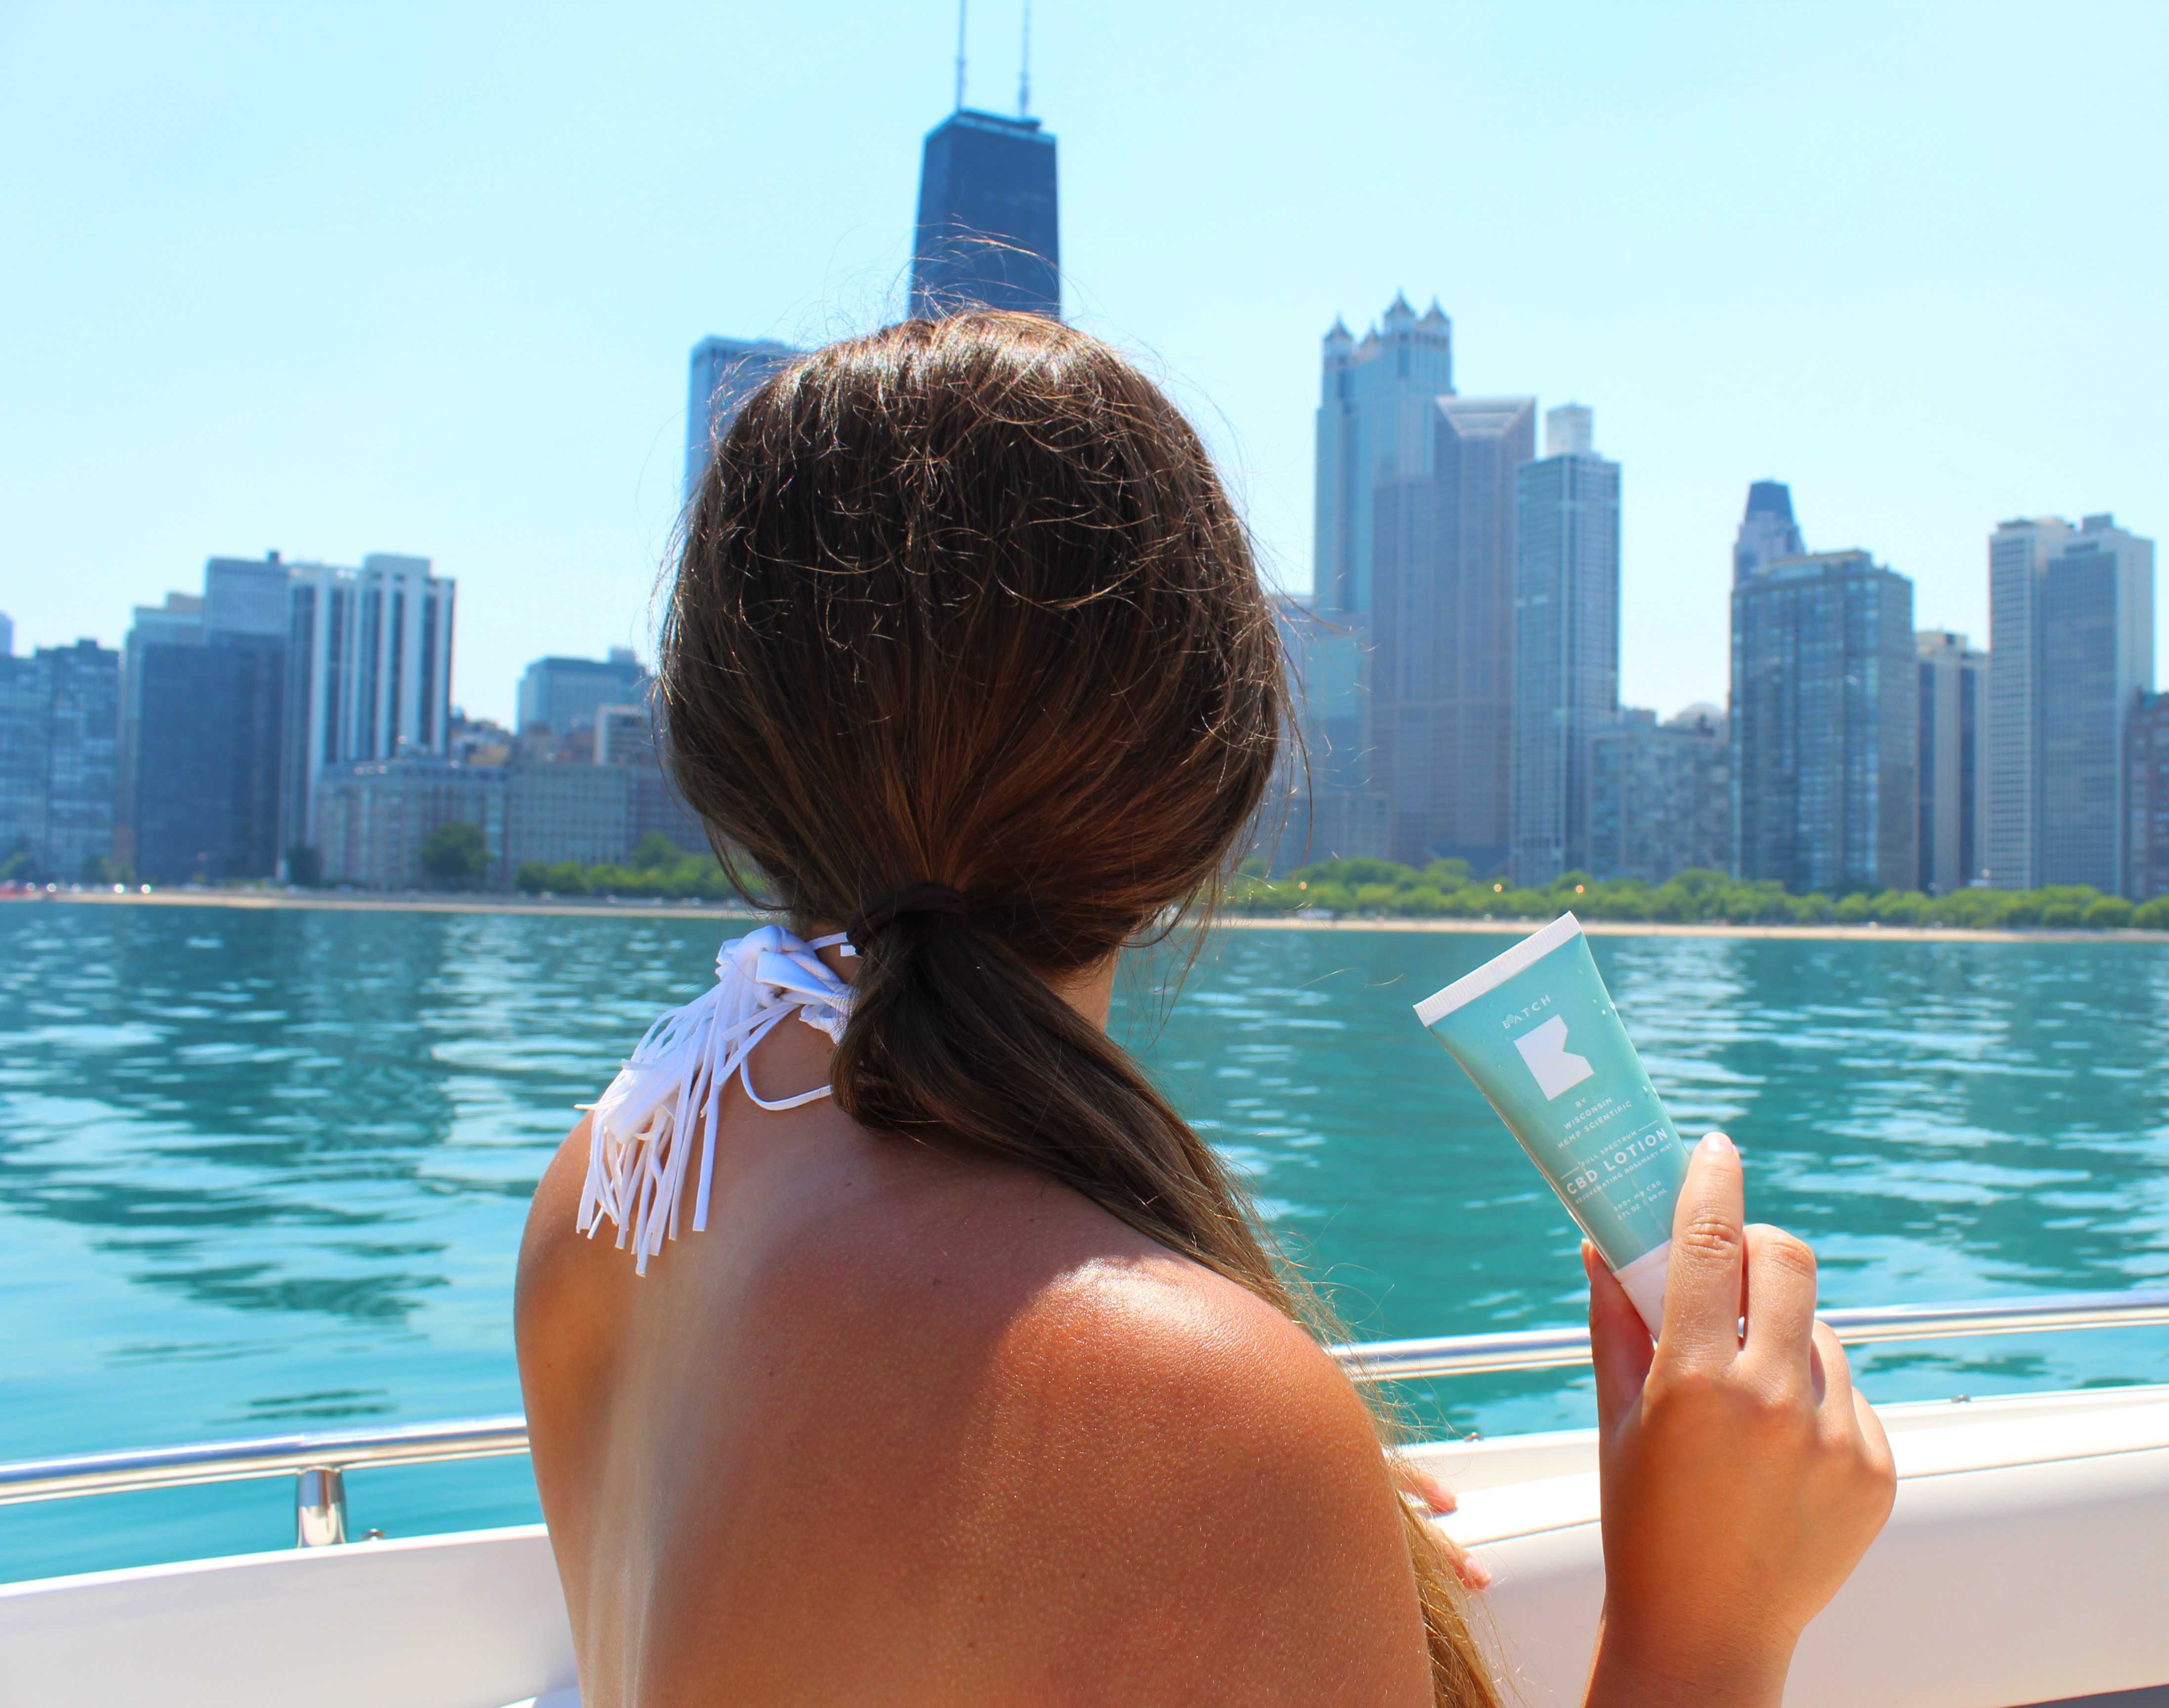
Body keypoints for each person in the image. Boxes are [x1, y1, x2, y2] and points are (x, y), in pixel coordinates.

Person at [515, 311, 1895, 1707]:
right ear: (1212, 777)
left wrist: (1248, 1495)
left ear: (715, 734)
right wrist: (1711, 1615)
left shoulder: (621, 1178)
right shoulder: (1178, 1416)